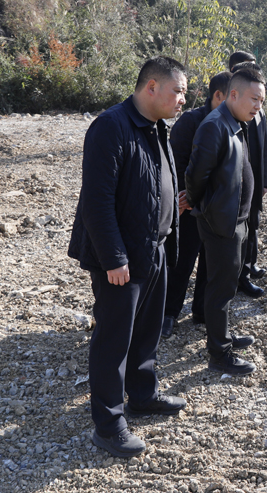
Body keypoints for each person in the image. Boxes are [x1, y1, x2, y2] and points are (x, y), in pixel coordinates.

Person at [67, 56, 189, 459]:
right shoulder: (111, 126)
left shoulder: (157, 127)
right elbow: (97, 201)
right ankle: (108, 425)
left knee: (147, 331)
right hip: (122, 258)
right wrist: (113, 258)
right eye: (178, 91)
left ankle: (142, 395)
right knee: (113, 341)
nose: (183, 99)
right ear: (151, 87)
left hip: (154, 249)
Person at [184, 66, 266, 376]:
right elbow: (195, 175)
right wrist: (201, 204)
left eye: (261, 101)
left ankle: (223, 335)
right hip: (221, 221)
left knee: (227, 284)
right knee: (220, 288)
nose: (258, 106)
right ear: (233, 94)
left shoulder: (235, 121)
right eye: (254, 99)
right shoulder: (215, 125)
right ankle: (219, 353)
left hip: (236, 219)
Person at [161, 71, 231, 339]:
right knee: (182, 260)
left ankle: (201, 311)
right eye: (233, 96)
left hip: (218, 208)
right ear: (218, 95)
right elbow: (175, 163)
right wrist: (187, 195)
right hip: (190, 207)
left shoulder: (233, 123)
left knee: (211, 265)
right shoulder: (191, 121)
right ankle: (168, 313)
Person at [228, 51, 267, 299]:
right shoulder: (232, 109)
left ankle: (248, 267)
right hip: (236, 182)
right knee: (238, 230)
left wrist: (265, 180)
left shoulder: (258, 108)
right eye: (248, 68)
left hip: (254, 180)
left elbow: (263, 149)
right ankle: (238, 275)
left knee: (252, 225)